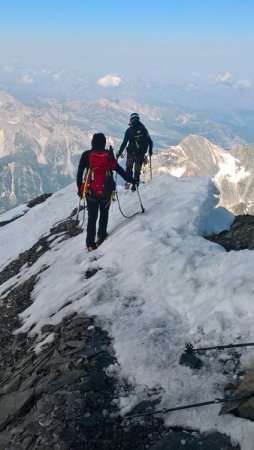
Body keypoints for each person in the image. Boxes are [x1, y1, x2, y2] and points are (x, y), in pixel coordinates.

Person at [77, 133, 135, 252]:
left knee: (92, 218)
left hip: (91, 193)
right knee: (104, 214)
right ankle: (102, 234)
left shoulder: (86, 155)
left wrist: (80, 189)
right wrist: (132, 180)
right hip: (106, 193)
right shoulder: (108, 156)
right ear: (104, 143)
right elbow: (120, 170)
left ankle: (90, 243)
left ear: (92, 142)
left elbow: (79, 174)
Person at [116, 113, 153, 190]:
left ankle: (129, 182)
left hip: (131, 153)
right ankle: (135, 185)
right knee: (137, 170)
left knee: (129, 168)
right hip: (140, 154)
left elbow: (124, 143)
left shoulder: (129, 130)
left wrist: (119, 153)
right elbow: (150, 142)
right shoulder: (144, 130)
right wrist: (150, 151)